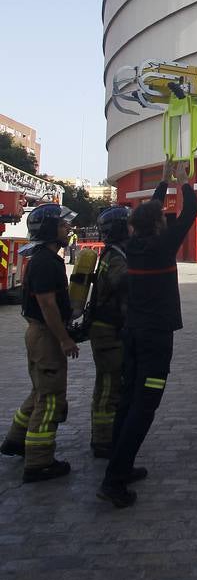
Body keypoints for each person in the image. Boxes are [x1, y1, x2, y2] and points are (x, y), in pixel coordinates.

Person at [97, 160, 197, 508]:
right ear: (157, 224)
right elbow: (193, 210)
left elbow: (149, 215)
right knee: (145, 406)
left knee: (129, 400)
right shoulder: (160, 246)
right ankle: (114, 480)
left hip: (134, 336)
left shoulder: (134, 245)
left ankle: (119, 467)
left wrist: (162, 182)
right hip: (156, 339)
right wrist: (182, 180)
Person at [0, 205, 80, 482]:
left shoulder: (45, 258)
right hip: (46, 335)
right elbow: (47, 305)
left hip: (39, 334)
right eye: (62, 225)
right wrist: (65, 339)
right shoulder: (46, 262)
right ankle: (39, 460)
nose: (67, 229)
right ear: (48, 230)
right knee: (49, 398)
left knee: (39, 390)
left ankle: (15, 440)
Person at [89, 206, 131, 458]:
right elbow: (124, 282)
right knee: (108, 386)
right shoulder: (115, 257)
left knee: (112, 383)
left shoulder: (114, 253)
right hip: (108, 330)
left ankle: (107, 434)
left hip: (110, 329)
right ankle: (103, 440)